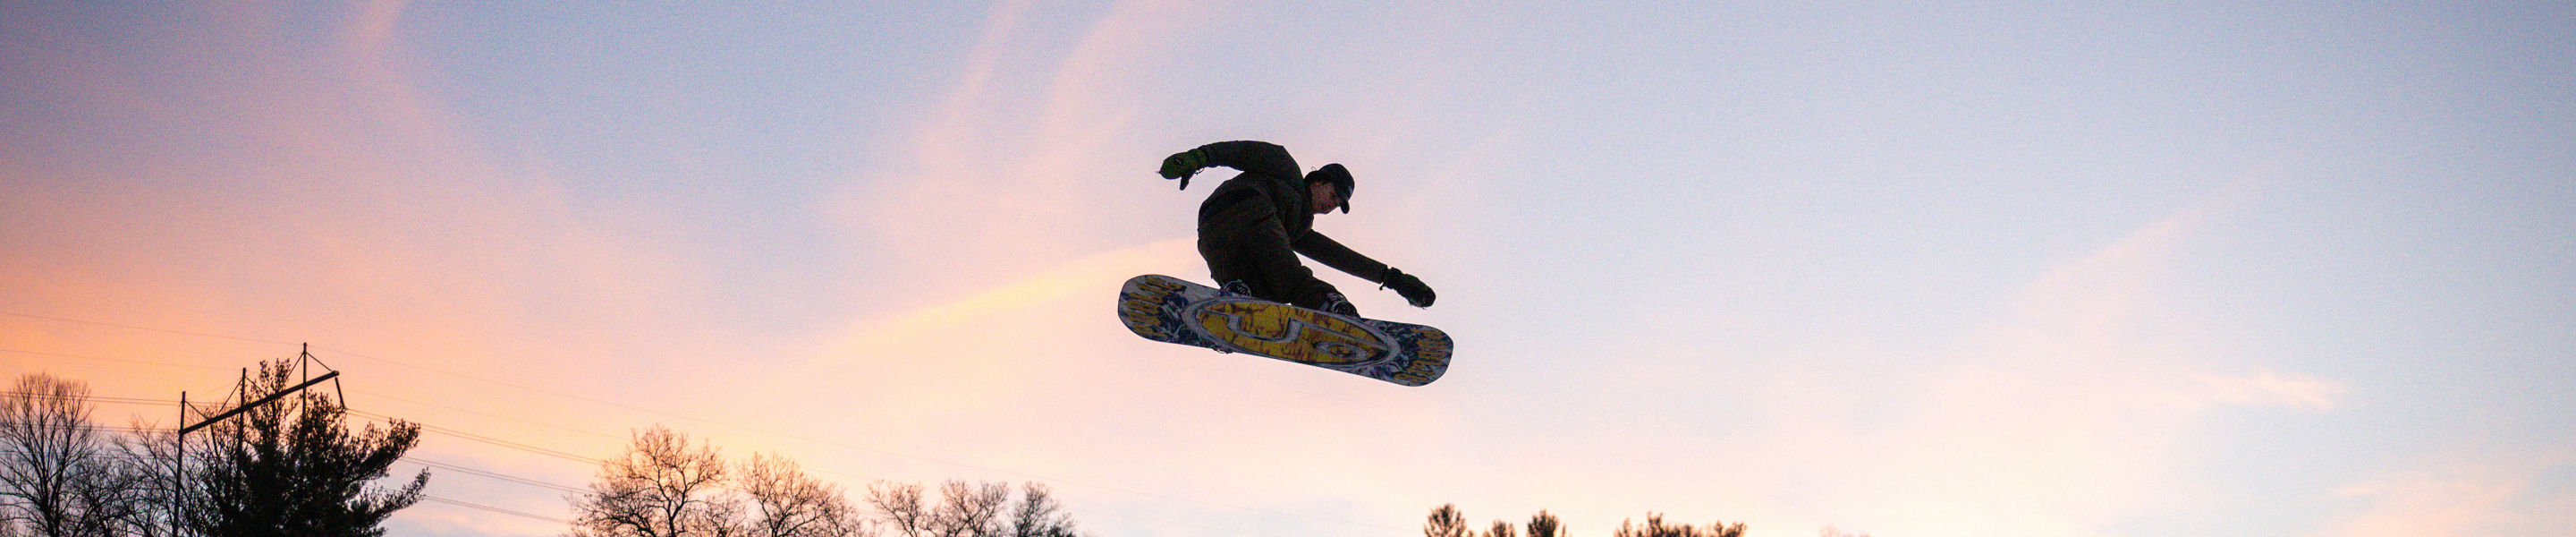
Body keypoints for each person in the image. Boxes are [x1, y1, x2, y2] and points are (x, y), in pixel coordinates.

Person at [1157, 141, 1436, 317]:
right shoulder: (1286, 169)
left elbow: (1337, 255)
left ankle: (1237, 298)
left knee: (1266, 301)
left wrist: (1393, 279)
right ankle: (1330, 305)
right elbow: (1242, 152)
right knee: (1289, 279)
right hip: (1248, 208)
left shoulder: (1297, 225)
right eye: (1333, 195)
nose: (1332, 206)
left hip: (1211, 231)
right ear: (1317, 181)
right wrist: (1199, 157)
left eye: (1338, 204)